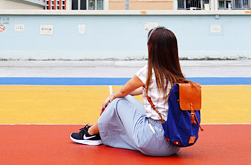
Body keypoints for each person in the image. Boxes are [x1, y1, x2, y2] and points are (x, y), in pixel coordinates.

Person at [69, 27, 186, 157]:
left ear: (151, 48)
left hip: (153, 140)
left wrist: (112, 97)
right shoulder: (176, 75)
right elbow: (144, 89)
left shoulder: (149, 71)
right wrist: (127, 95)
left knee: (118, 101)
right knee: (125, 99)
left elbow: (123, 90)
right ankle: (98, 133)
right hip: (174, 143)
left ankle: (90, 133)